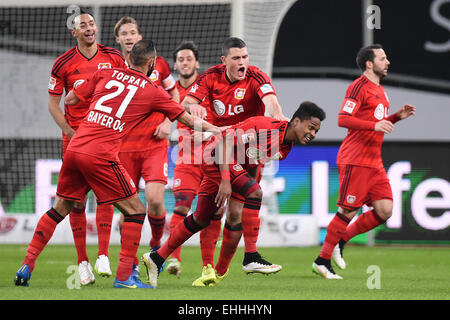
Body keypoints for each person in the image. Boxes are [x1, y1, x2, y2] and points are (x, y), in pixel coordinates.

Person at [14, 40, 221, 289]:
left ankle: (27, 265)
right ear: (152, 63)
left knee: (60, 208)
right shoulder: (152, 90)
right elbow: (187, 119)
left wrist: (99, 110)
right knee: (135, 211)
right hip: (101, 154)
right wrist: (221, 130)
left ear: (129, 58)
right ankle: (124, 276)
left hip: (76, 146)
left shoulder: (105, 72)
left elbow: (69, 100)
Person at [142, 101, 326, 287]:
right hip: (216, 157)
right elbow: (225, 141)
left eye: (316, 131)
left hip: (233, 165)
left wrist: (248, 188)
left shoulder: (285, 148)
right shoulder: (267, 128)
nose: (313, 134)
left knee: (202, 218)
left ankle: (156, 258)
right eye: (311, 128)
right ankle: (251, 257)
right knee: (255, 193)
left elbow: (254, 162)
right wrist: (226, 181)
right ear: (295, 121)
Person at [181, 37, 289, 285]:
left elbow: (271, 101)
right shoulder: (210, 76)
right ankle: (207, 266)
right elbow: (185, 103)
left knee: (235, 215)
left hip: (249, 155)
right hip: (219, 152)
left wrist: (278, 116)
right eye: (237, 58)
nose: (243, 63)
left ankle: (219, 271)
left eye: (245, 57)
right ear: (224, 61)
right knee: (212, 210)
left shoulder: (256, 76)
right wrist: (192, 107)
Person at [312, 44, 416, 279]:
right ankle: (322, 260)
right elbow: (343, 119)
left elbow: (377, 122)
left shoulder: (381, 90)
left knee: (385, 210)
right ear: (369, 64)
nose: (387, 62)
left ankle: (341, 240)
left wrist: (395, 118)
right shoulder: (358, 86)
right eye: (382, 58)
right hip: (355, 158)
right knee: (348, 209)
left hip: (373, 161)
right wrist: (374, 125)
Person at [47, 12, 127, 285]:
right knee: (76, 201)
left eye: (91, 23)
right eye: (83, 25)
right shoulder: (63, 63)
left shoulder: (114, 58)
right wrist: (69, 131)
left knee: (107, 193)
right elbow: (53, 105)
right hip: (75, 139)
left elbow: (127, 90)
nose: (89, 28)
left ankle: (103, 254)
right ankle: (83, 262)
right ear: (75, 33)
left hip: (105, 136)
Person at [113, 17, 180, 258]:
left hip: (154, 144)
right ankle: (127, 261)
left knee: (154, 199)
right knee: (126, 208)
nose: (129, 37)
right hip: (123, 147)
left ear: (139, 37)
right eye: (124, 33)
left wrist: (167, 122)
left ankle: (154, 244)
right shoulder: (113, 65)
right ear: (117, 38)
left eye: (133, 32)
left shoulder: (158, 64)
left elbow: (175, 93)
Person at [165, 40, 222, 279]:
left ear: (197, 63)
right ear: (176, 65)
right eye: (181, 59)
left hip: (212, 159)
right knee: (181, 206)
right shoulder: (171, 93)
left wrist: (208, 132)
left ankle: (208, 267)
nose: (185, 63)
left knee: (213, 213)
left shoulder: (209, 87)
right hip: (186, 159)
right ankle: (174, 259)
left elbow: (222, 118)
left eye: (189, 59)